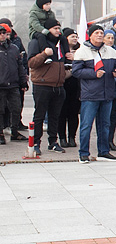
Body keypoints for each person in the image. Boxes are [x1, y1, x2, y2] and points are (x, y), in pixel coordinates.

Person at [72, 24, 116, 163]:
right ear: (90, 35)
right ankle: (83, 153)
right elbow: (76, 71)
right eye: (97, 33)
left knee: (105, 124)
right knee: (86, 125)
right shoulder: (82, 51)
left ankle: (103, 152)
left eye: (101, 33)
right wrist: (94, 74)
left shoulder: (111, 51)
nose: (99, 35)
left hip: (107, 93)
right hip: (90, 94)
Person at [27, 20, 69, 155]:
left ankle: (53, 142)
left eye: (59, 28)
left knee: (54, 116)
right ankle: (35, 143)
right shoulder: (36, 42)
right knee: (39, 116)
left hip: (58, 86)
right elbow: (31, 63)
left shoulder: (60, 43)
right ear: (47, 29)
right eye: (55, 28)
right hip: (42, 85)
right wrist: (45, 54)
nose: (58, 31)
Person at [57, 28, 81, 149]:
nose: (75, 39)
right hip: (62, 86)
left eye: (76, 36)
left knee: (73, 113)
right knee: (62, 113)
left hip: (76, 86)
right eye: (72, 36)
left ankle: (72, 137)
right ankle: (62, 137)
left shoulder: (81, 51)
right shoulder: (60, 51)